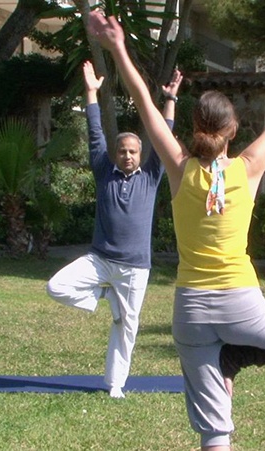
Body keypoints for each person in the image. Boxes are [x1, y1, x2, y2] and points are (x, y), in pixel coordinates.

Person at [87, 11, 265, 449]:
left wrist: (117, 47)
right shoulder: (247, 169)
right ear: (232, 132)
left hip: (189, 313)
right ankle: (239, 357)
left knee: (215, 431)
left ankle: (230, 360)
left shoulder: (178, 167)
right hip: (242, 306)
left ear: (195, 129)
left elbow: (145, 104)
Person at [46, 60, 183, 399]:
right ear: (114, 154)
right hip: (100, 260)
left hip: (136, 268)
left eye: (133, 151)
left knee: (126, 327)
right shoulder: (103, 171)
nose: (127, 156)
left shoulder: (151, 176)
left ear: (140, 155)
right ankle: (104, 296)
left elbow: (162, 136)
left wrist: (170, 100)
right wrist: (91, 93)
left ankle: (116, 385)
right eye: (122, 151)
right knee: (55, 286)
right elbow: (95, 135)